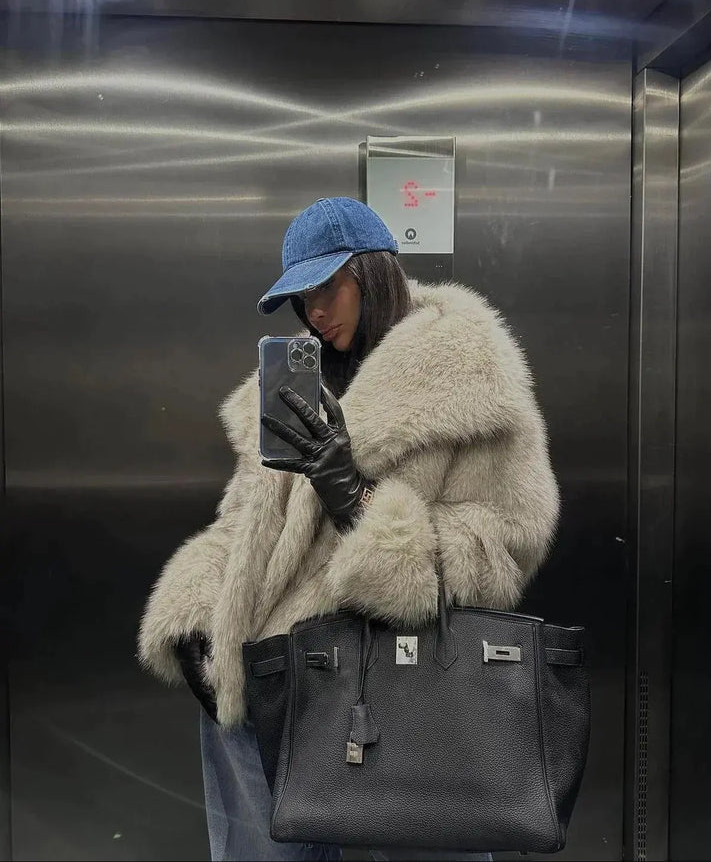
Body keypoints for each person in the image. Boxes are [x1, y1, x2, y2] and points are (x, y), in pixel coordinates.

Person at [138, 197, 560, 862]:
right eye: (299, 298)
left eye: (326, 287)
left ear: (373, 271)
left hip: (405, 695)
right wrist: (192, 615)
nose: (314, 312)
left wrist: (358, 502)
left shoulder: (468, 372)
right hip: (269, 692)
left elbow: (504, 545)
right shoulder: (292, 385)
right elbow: (243, 523)